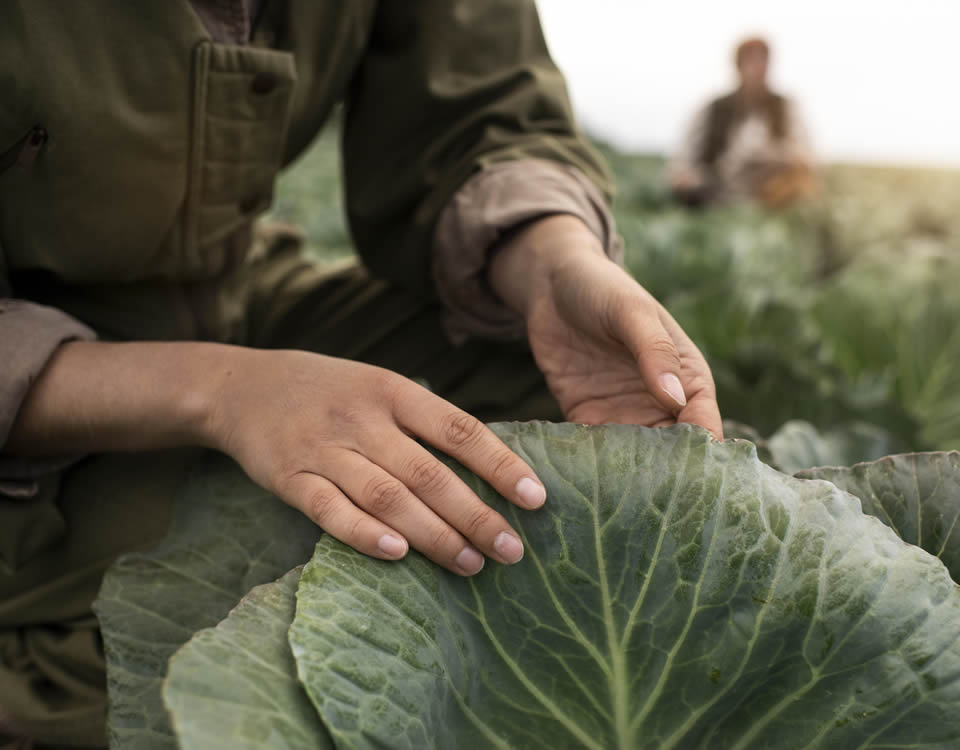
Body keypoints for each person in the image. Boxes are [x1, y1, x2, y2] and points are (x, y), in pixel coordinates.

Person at [0, 2, 721, 745]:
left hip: (238, 293)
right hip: (39, 377)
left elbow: (482, 110)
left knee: (566, 404)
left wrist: (556, 265)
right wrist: (222, 391)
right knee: (159, 627)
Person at [669, 37, 816, 208]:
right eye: (752, 60)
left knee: (798, 182)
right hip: (718, 188)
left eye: (764, 60)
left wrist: (774, 155)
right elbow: (685, 158)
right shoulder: (714, 108)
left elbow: (806, 154)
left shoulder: (785, 106)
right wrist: (686, 175)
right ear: (738, 65)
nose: (759, 67)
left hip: (770, 190)